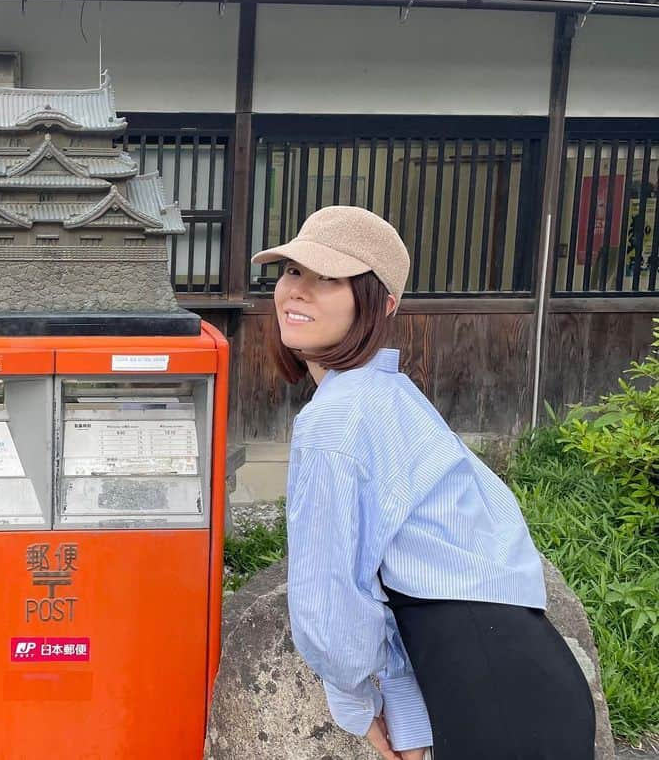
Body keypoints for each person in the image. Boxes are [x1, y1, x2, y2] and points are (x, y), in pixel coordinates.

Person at [252, 206, 596, 760]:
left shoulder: (336, 419)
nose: (298, 291)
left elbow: (335, 599)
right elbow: (416, 590)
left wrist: (359, 705)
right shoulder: (391, 397)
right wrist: (412, 717)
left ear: (382, 303)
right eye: (292, 271)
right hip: (521, 678)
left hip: (486, 690)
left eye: (329, 278)